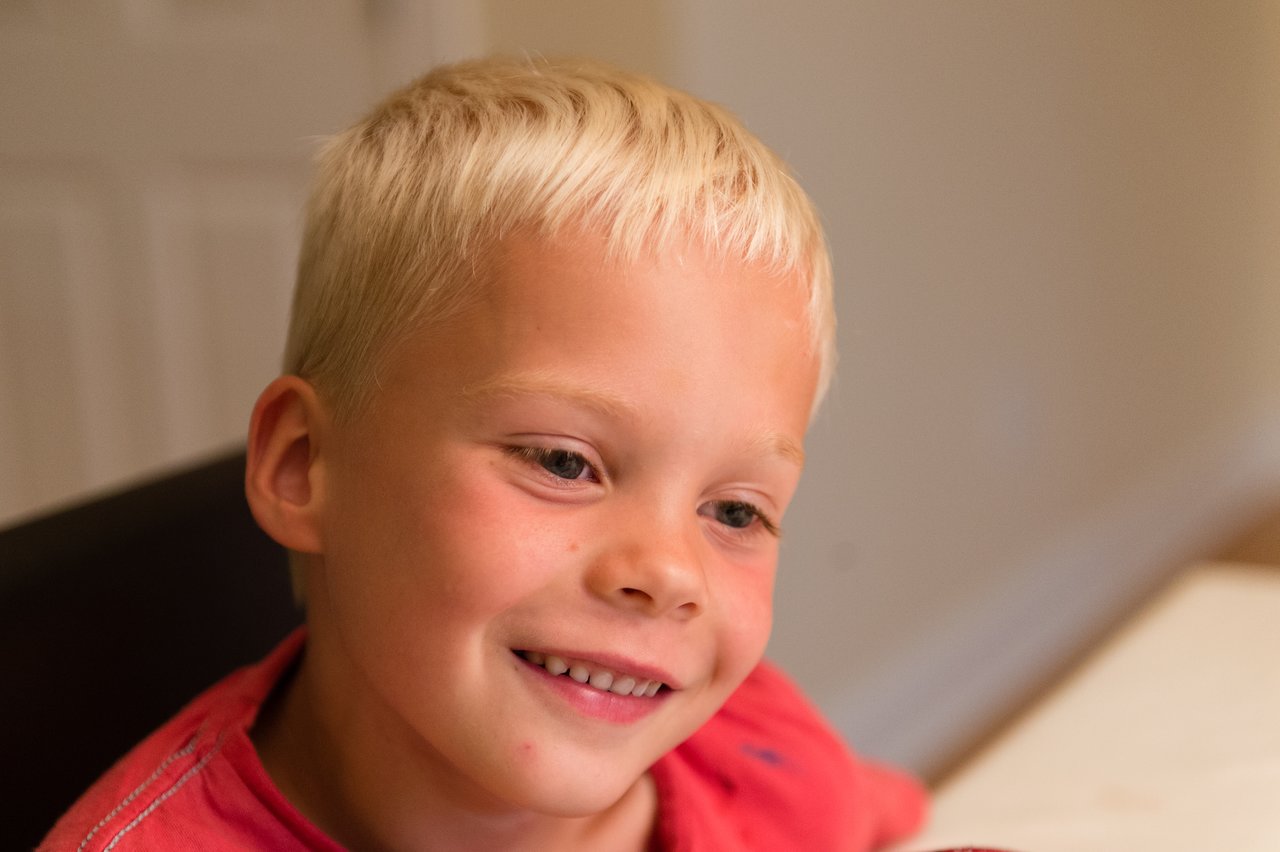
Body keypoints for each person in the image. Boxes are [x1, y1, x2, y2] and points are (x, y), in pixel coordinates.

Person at [42, 56, 926, 851]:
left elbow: (891, 813)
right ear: (307, 465)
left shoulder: (764, 764)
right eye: (563, 462)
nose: (668, 572)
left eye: (735, 510)